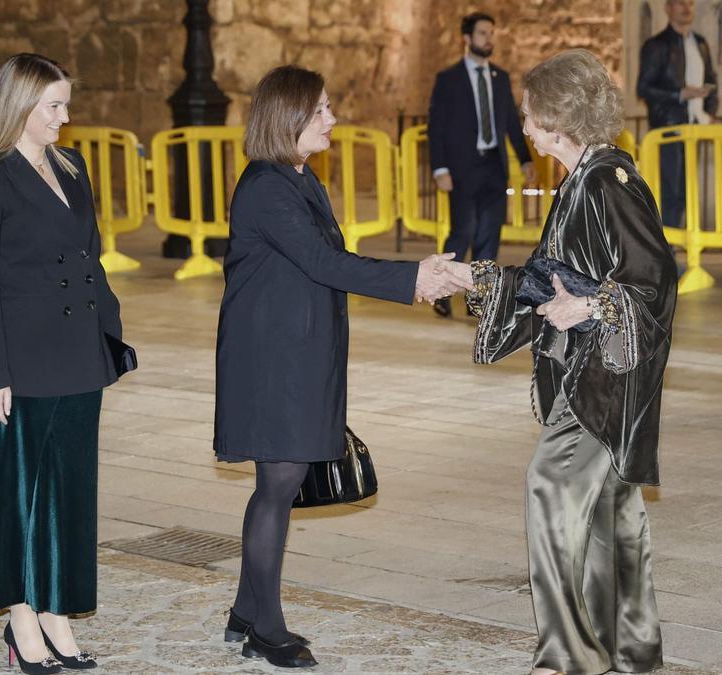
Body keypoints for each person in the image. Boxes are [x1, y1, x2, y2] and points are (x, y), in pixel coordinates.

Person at [214, 65, 473, 669]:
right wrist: (414, 279)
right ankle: (265, 629)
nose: (333, 120)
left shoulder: (298, 179)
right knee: (277, 485)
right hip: (272, 360)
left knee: (280, 480)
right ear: (290, 117)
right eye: (322, 111)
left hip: (299, 351)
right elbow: (323, 263)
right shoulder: (267, 188)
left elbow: (330, 260)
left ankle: (246, 611)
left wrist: (416, 275)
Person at [467, 50, 676, 675]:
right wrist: (474, 277)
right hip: (593, 373)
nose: (524, 125)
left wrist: (588, 310)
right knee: (613, 508)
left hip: (602, 380)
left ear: (558, 120)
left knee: (551, 485)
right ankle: (631, 649)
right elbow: (547, 278)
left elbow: (655, 278)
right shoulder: (579, 180)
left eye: (530, 115)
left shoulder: (606, 182)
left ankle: (570, 658)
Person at [0, 53, 126, 674]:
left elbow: (92, 255)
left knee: (71, 490)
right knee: (17, 493)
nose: (65, 116)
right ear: (20, 106)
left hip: (80, 351)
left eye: (65, 103)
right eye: (54, 105)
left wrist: (110, 332)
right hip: (22, 359)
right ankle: (20, 615)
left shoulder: (73, 166)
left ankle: (58, 609)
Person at [428, 11, 535, 318]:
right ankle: (443, 291)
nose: (489, 39)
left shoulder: (500, 77)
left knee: (490, 233)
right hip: (462, 168)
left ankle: (480, 298)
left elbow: (511, 124)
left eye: (491, 33)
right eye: (483, 34)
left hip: (493, 166)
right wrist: (439, 169)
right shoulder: (448, 79)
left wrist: (526, 159)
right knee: (463, 230)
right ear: (467, 38)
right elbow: (437, 127)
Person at [636, 0, 718, 230]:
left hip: (694, 126)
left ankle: (672, 249)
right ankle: (665, 252)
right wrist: (679, 94)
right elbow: (643, 88)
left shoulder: (700, 43)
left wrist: (709, 112)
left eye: (690, 3)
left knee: (685, 192)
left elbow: (712, 81)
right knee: (668, 192)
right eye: (680, 3)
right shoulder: (656, 45)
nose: (686, 8)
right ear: (668, 8)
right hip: (668, 127)